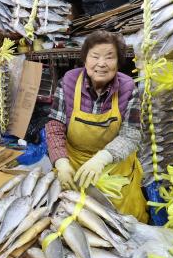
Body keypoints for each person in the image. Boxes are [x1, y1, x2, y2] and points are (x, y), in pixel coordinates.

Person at [45, 31, 148, 222]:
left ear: (118, 63)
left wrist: (102, 158)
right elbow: (55, 125)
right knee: (71, 218)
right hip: (74, 166)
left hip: (115, 169)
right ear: (85, 59)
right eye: (95, 56)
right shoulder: (68, 81)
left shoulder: (128, 87)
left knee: (123, 221)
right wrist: (60, 161)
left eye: (110, 57)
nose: (101, 63)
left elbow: (131, 134)